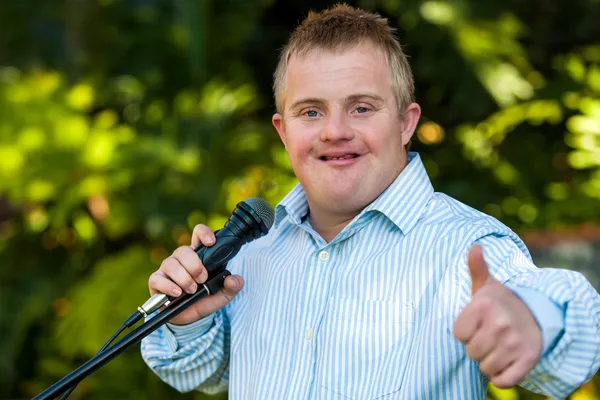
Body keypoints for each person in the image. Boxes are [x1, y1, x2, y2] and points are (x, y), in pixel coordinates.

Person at [141, 4, 600, 399]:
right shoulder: (252, 251)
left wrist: (535, 320)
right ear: (283, 132)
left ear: (405, 122)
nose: (334, 130)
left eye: (361, 107)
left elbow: (574, 317)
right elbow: (195, 372)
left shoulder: (466, 246)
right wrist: (185, 320)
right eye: (311, 111)